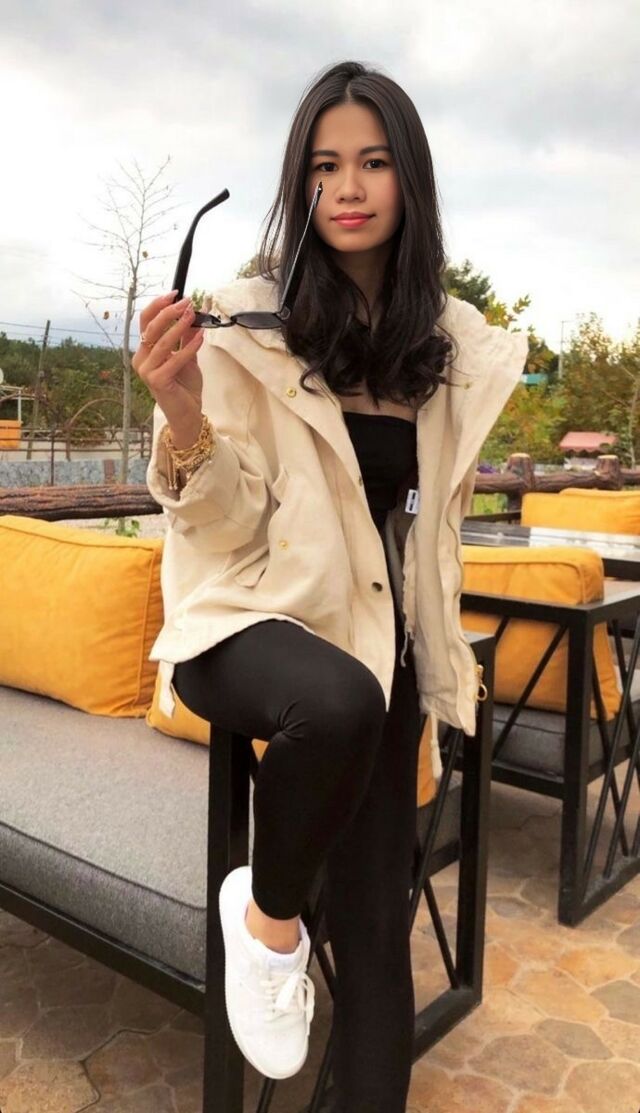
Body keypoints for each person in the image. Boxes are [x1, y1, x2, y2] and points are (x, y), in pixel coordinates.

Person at [132, 59, 529, 1113]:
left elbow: (421, 532)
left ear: (410, 179)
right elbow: (223, 522)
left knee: (377, 928)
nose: (347, 187)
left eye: (373, 161)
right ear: (299, 183)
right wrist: (183, 410)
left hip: (372, 638)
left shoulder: (439, 351)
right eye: (323, 166)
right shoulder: (244, 322)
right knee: (339, 697)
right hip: (243, 622)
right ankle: (266, 928)